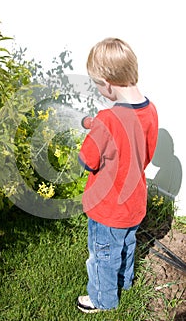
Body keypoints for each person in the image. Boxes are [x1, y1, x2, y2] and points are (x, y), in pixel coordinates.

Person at [77, 37, 158, 313]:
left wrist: (94, 128)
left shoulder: (107, 120)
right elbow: (144, 152)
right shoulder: (150, 110)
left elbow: (88, 160)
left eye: (98, 85)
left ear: (108, 84)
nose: (100, 90)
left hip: (108, 207)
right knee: (127, 244)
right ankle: (125, 283)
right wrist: (96, 123)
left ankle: (103, 300)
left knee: (102, 256)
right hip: (134, 202)